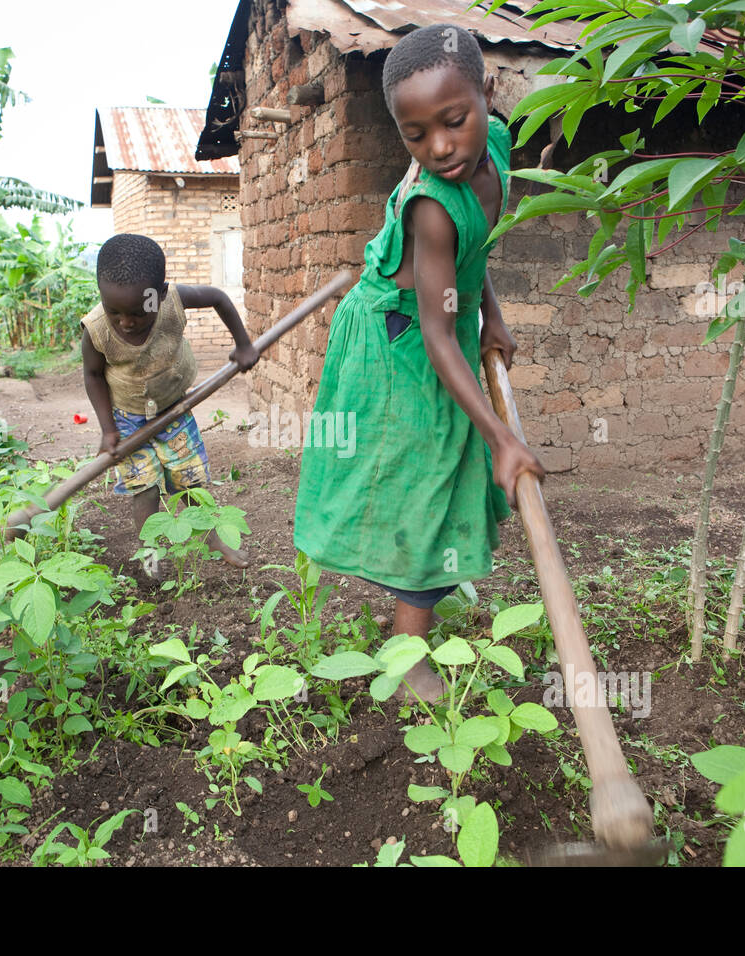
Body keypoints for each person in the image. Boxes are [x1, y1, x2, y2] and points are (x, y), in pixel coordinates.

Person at [293, 24, 546, 702]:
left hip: (443, 321)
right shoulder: (431, 205)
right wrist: (503, 437)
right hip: (398, 340)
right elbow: (437, 334)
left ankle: (421, 603)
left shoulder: (494, 146)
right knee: (423, 481)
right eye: (415, 135)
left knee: (442, 471)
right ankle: (407, 661)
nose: (439, 147)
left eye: (453, 121)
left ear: (487, 96)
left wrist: (492, 312)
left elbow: (476, 251)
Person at [81, 233, 259, 570]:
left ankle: (212, 539)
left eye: (137, 311)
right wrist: (107, 431)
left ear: (159, 294)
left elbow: (219, 298)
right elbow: (92, 376)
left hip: (173, 409)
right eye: (113, 310)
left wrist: (243, 344)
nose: (126, 321)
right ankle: (150, 552)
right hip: (126, 417)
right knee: (145, 488)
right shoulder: (96, 331)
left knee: (189, 479)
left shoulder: (173, 301)